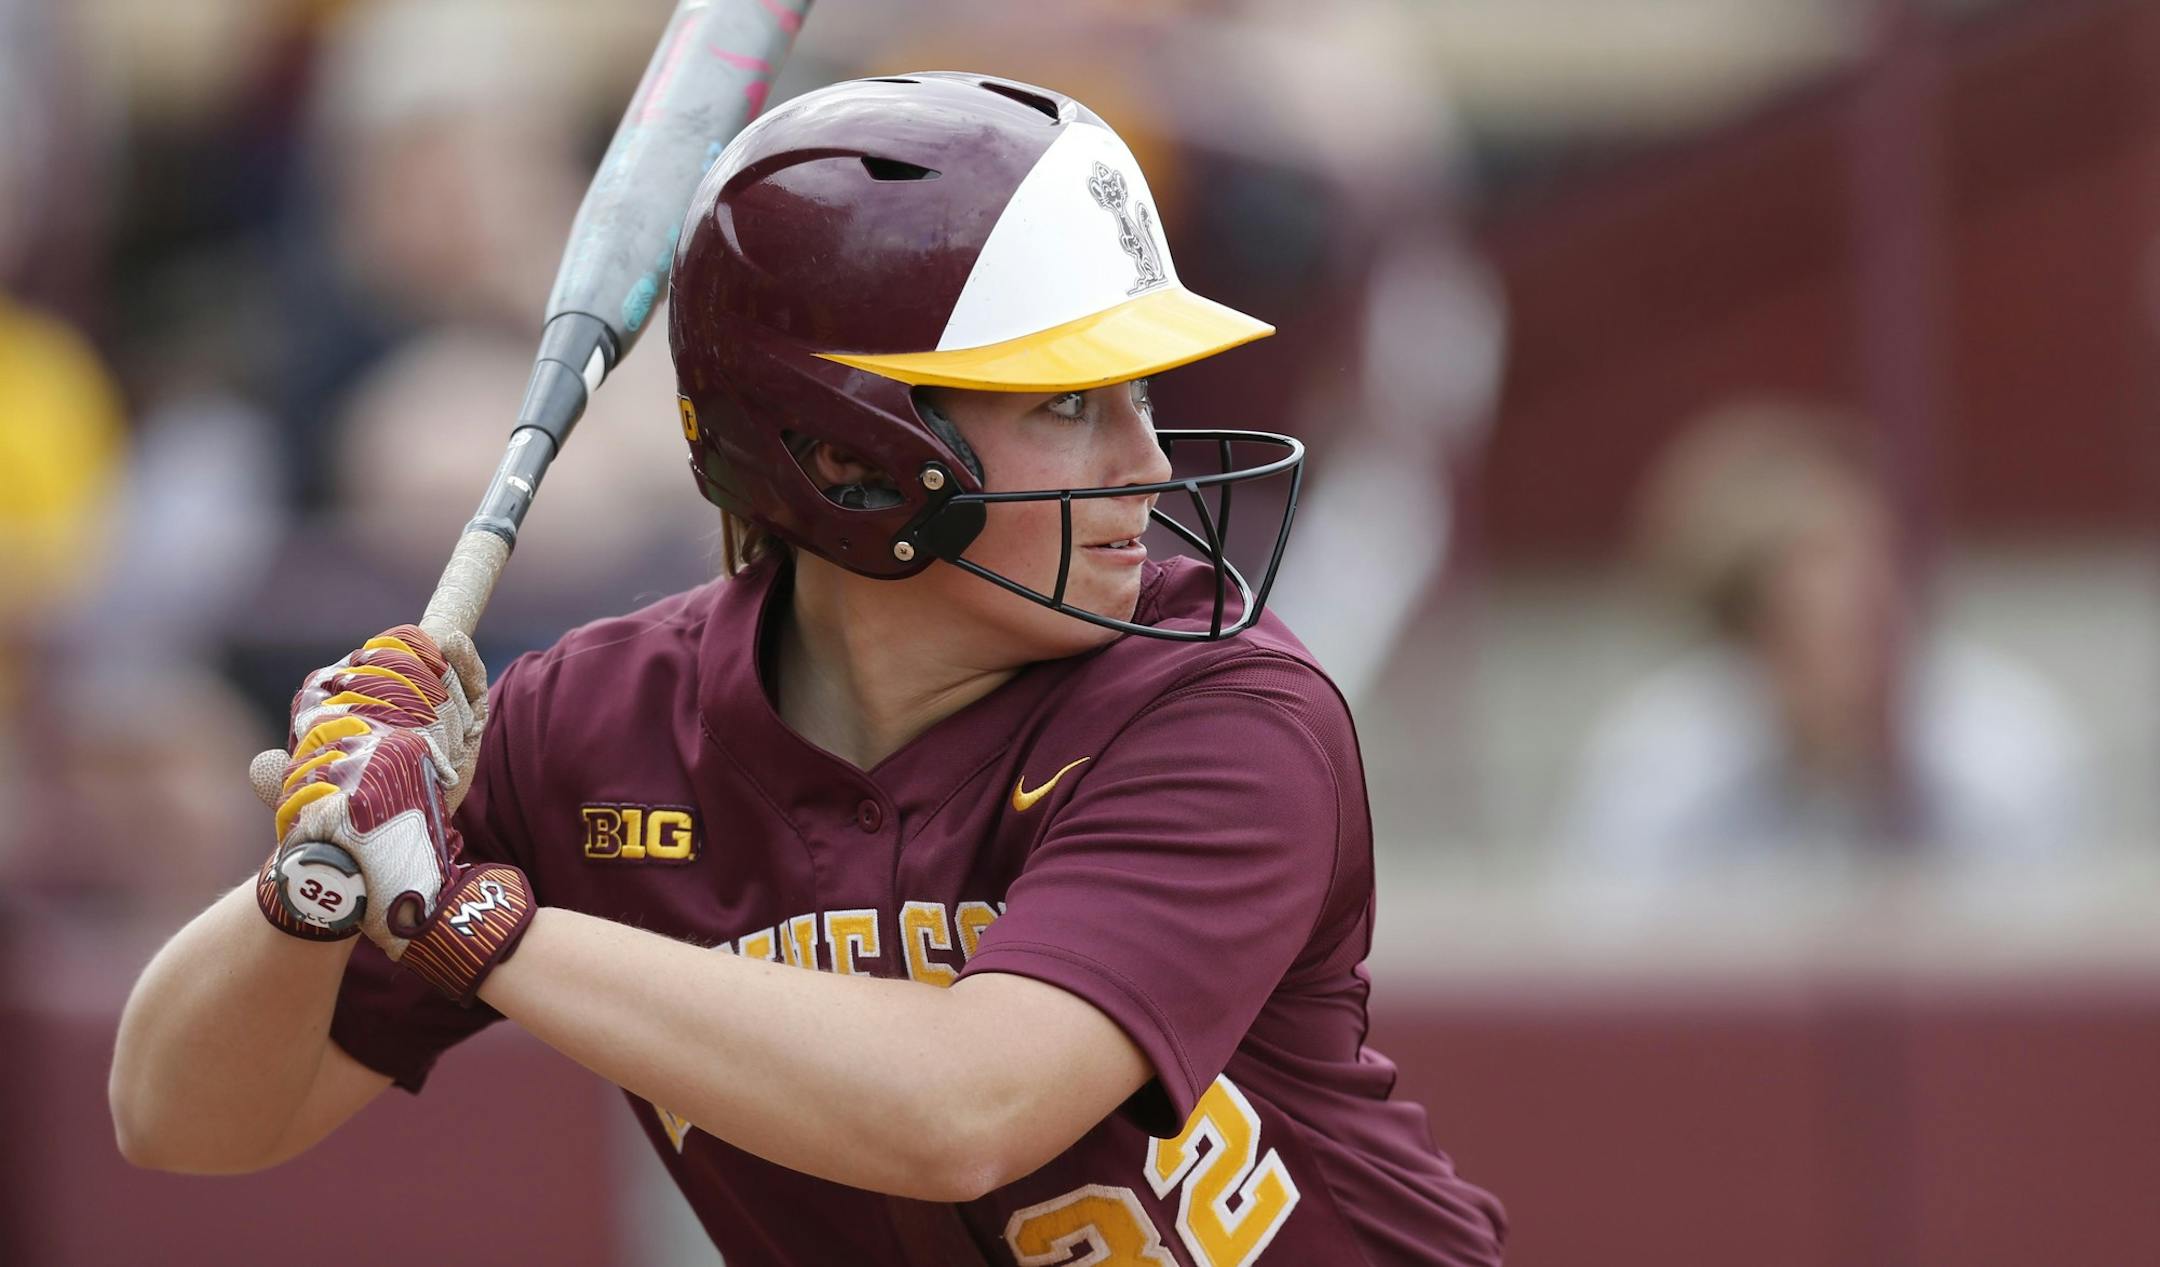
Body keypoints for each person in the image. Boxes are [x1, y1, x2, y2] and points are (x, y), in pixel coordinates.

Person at [110, 74, 1506, 1265]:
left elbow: (963, 1106)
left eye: (1138, 396)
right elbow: (180, 1116)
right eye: (1073, 407)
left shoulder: (1229, 708)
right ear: (849, 461)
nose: (1144, 465)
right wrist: (322, 862)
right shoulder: (594, 726)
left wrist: (473, 916)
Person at [1560, 400, 2087, 880]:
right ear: (1746, 638)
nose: (1874, 662)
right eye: (1824, 633)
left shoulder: (2004, 754)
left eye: (1880, 614)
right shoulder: (1662, 768)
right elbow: (1601, 959)